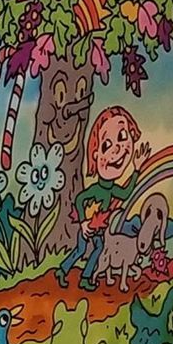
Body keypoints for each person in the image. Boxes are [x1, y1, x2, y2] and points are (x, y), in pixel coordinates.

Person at [66, 105, 150, 287]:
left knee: (98, 250)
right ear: (96, 155)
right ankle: (62, 271)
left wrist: (136, 170)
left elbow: (126, 193)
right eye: (106, 146)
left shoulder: (112, 190)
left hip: (98, 229)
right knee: (80, 250)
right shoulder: (96, 189)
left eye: (122, 136)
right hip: (87, 227)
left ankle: (85, 278)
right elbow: (80, 200)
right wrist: (83, 222)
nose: (117, 149)